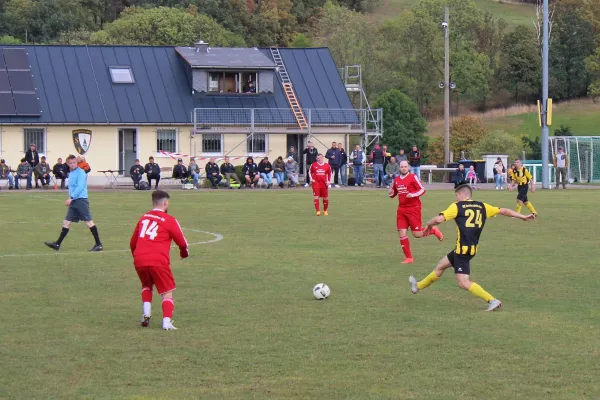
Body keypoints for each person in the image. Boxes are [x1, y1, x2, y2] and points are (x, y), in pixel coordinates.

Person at [409, 184, 535, 311]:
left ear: (463, 195)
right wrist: (523, 217)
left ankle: (492, 300)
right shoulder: (482, 206)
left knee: (463, 282)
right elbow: (504, 211)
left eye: (457, 195)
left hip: (462, 250)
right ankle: (417, 286)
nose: (456, 198)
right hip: (471, 249)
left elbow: (439, 219)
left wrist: (429, 225)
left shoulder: (457, 206)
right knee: (441, 265)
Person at [130, 190, 189, 330]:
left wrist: (138, 257)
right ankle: (166, 323)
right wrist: (184, 254)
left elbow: (133, 243)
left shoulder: (143, 217)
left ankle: (146, 314)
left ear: (153, 203)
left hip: (140, 259)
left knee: (146, 285)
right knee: (167, 291)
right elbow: (182, 243)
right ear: (165, 203)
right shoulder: (170, 220)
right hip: (158, 260)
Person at [388, 160, 443, 264]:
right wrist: (390, 193)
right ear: (399, 168)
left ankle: (434, 230)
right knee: (401, 232)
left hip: (413, 209)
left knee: (417, 234)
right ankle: (409, 258)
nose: (403, 168)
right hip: (401, 210)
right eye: (402, 167)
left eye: (405, 166)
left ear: (408, 167)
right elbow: (394, 193)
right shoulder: (396, 180)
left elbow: (422, 190)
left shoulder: (413, 177)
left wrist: (412, 195)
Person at [44, 154, 103, 252]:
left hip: (81, 200)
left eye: (74, 162)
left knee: (89, 221)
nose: (72, 164)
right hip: (74, 201)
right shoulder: (71, 173)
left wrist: (71, 197)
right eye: (70, 163)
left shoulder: (81, 173)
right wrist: (70, 197)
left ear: (77, 162)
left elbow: (79, 187)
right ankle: (57, 244)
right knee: (67, 222)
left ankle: (98, 244)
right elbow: (72, 187)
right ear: (67, 163)